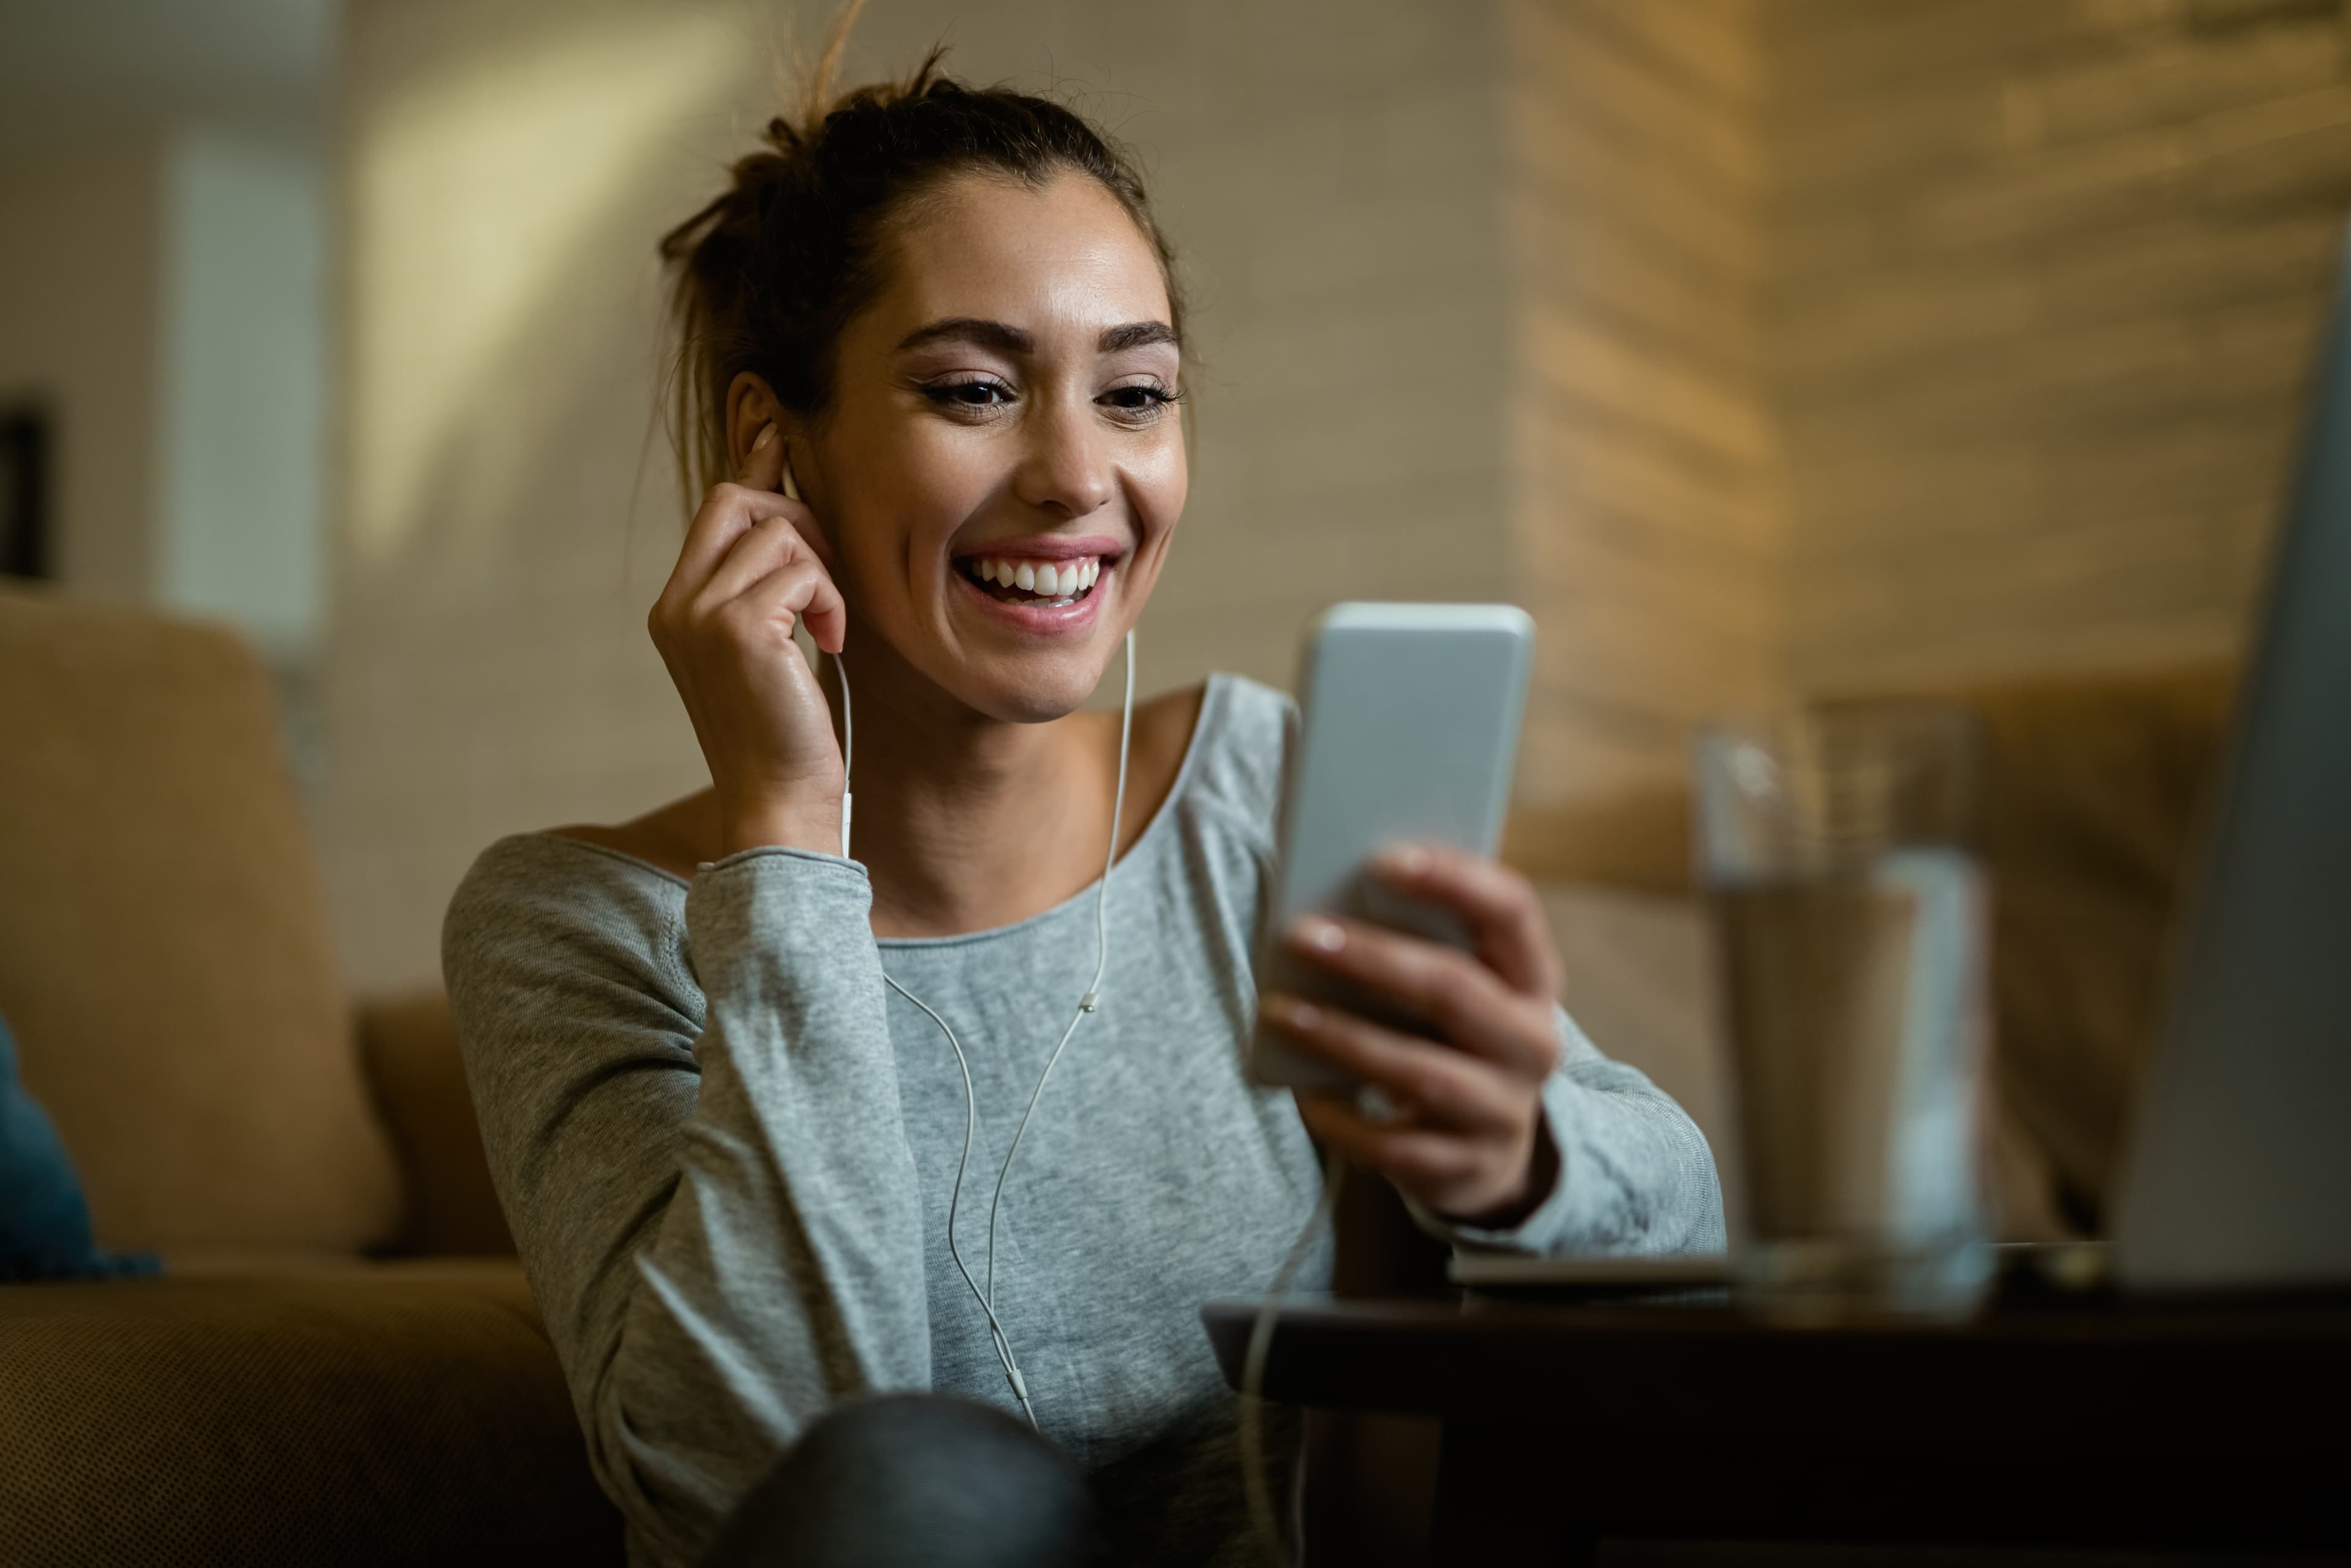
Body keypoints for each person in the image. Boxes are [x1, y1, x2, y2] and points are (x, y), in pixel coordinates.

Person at [441, 17, 1724, 1568]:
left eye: (1135, 394)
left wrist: (1523, 1159)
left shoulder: (1264, 786)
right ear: (775, 446)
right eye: (976, 390)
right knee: (924, 1484)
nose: (1075, 475)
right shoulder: (573, 923)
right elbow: (740, 1476)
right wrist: (783, 830)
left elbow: (1688, 1240)